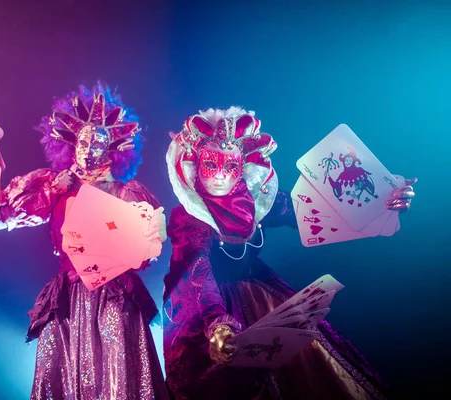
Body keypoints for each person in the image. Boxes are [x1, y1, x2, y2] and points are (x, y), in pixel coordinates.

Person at [0, 82, 170, 400]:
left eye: (98, 142)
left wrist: (145, 239)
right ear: (71, 144)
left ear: (112, 149)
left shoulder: (128, 193)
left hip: (115, 301)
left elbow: (146, 251)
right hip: (67, 302)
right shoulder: (53, 185)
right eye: (83, 141)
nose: (88, 150)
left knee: (117, 382)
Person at [162, 106, 416, 400]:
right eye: (210, 164)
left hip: (258, 293)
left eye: (230, 166)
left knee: (307, 363)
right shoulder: (188, 217)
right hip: (201, 310)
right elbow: (198, 273)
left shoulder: (256, 199)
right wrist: (218, 325)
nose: (220, 175)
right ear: (193, 164)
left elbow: (313, 214)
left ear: (243, 166)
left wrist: (382, 201)